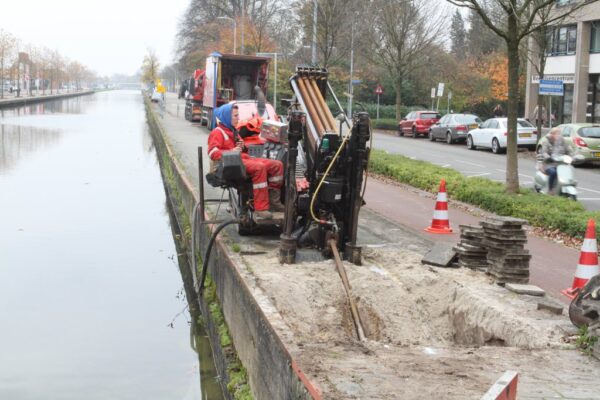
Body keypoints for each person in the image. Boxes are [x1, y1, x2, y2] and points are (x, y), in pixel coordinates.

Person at [207, 103, 284, 220]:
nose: (238, 118)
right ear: (226, 117)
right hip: (232, 163)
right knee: (259, 168)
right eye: (235, 116)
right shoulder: (217, 132)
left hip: (243, 158)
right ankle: (261, 208)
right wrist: (231, 151)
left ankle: (274, 201)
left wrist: (243, 146)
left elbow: (244, 150)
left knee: (277, 165)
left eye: (238, 115)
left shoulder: (233, 131)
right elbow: (212, 153)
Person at [538, 127, 575, 194]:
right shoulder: (546, 142)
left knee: (568, 172)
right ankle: (550, 189)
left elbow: (569, 150)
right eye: (556, 134)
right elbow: (544, 152)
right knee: (553, 172)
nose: (558, 135)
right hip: (549, 163)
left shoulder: (563, 142)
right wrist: (548, 157)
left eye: (559, 134)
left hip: (561, 163)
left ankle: (562, 187)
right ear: (552, 134)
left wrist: (572, 157)